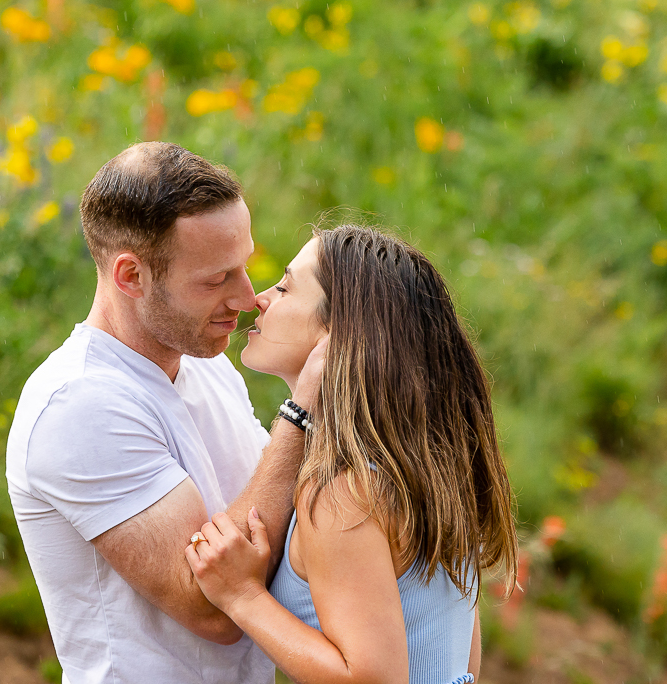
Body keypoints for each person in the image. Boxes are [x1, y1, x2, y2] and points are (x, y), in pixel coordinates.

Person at [6, 142, 324, 684]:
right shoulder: (78, 406)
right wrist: (301, 416)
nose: (247, 297)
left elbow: (275, 526)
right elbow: (212, 608)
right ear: (131, 277)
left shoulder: (205, 364)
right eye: (215, 279)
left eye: (244, 267)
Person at [184, 225, 520, 684]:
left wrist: (243, 597)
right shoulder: (424, 473)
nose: (259, 298)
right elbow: (461, 665)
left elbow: (373, 679)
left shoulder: (344, 494)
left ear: (338, 333)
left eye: (284, 286)